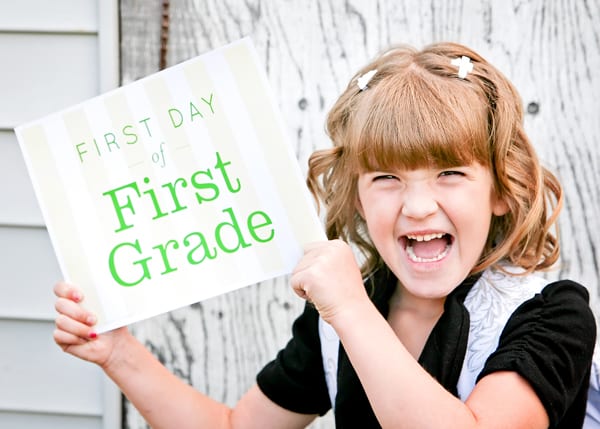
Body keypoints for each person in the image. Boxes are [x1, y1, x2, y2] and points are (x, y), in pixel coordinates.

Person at [53, 41, 596, 428]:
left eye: (449, 173)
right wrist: (117, 353)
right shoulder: (338, 320)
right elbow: (233, 426)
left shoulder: (551, 315)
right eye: (386, 178)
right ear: (357, 195)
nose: (417, 205)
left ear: (502, 190)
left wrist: (351, 311)